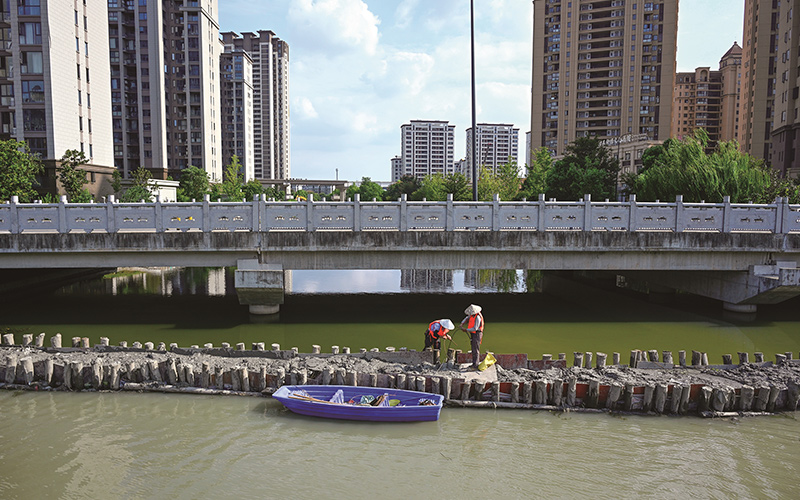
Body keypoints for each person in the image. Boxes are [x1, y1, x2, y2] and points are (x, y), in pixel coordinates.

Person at [460, 304, 484, 369]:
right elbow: (467, 318)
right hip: (473, 333)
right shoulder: (472, 315)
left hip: (477, 334)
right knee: (473, 348)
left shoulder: (477, 317)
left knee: (476, 349)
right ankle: (474, 364)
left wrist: (466, 330)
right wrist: (462, 323)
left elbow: (475, 328)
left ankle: (475, 365)